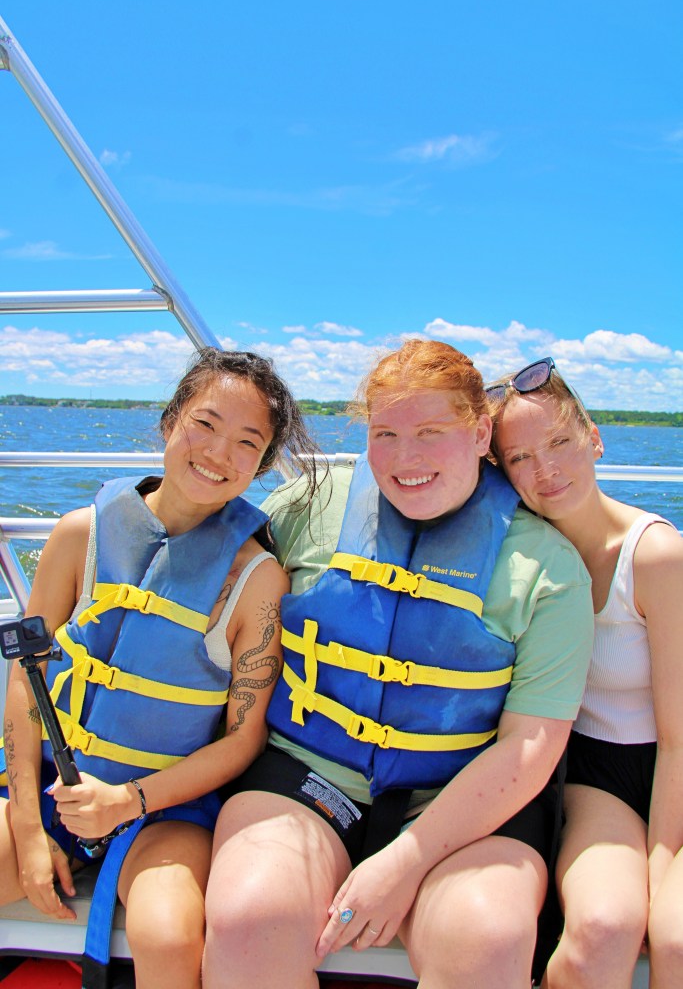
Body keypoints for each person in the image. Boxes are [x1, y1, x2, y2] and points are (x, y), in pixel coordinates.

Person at [202, 338, 594, 989]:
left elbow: (531, 747)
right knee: (249, 921)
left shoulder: (548, 569)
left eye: (430, 432)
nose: (405, 459)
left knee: (487, 940)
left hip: (462, 799)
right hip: (310, 778)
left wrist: (405, 861)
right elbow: (202, 587)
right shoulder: (308, 507)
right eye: (385, 434)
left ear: (480, 434)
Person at [0, 347, 320, 989]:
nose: (219, 452)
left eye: (247, 443)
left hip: (168, 809)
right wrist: (30, 826)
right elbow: (25, 680)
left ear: (262, 465)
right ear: (170, 421)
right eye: (205, 424)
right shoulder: (79, 535)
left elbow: (243, 739)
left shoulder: (256, 580)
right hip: (52, 789)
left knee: (167, 933)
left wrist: (128, 800)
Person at [487, 356, 683, 989]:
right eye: (519, 458)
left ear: (594, 439)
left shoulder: (655, 555)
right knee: (603, 927)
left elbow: (678, 739)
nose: (544, 469)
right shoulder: (520, 558)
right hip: (597, 775)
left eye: (559, 442)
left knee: (676, 936)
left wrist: (659, 868)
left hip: (673, 765)